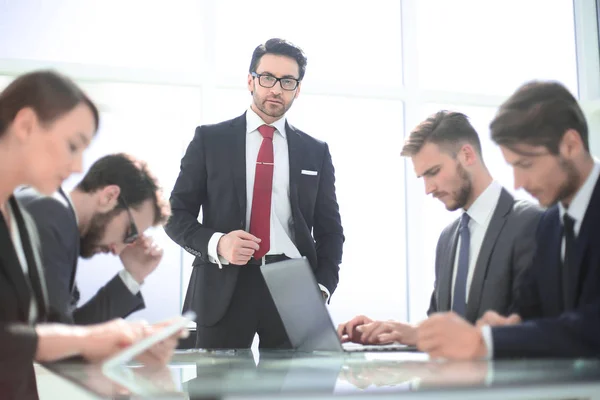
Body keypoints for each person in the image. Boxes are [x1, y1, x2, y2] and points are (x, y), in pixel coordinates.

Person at [0, 71, 181, 397]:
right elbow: (53, 335)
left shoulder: (22, 213)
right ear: (25, 124)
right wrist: (118, 339)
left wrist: (131, 286)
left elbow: (52, 333)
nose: (78, 166)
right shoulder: (48, 210)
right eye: (73, 146)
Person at [166, 38, 344, 349]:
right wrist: (218, 243)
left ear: (297, 89)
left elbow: (330, 230)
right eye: (267, 78)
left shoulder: (315, 151)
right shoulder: (210, 140)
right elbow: (175, 214)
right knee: (218, 393)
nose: (276, 88)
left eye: (287, 81)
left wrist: (321, 287)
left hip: (296, 285)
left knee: (296, 392)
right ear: (251, 81)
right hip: (223, 283)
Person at [416, 81, 600, 359]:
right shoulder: (550, 224)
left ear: (571, 145)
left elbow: (592, 326)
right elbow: (532, 311)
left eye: (526, 165)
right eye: (512, 167)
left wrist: (490, 341)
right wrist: (508, 326)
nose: (518, 182)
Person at [338, 111, 541, 346]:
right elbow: (442, 330)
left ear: (467, 155)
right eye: (422, 177)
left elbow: (535, 330)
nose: (428, 189)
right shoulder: (448, 238)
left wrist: (415, 334)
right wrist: (391, 332)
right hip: (449, 381)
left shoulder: (530, 223)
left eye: (433, 172)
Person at [17, 153, 170, 325]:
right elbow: (58, 341)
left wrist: (133, 275)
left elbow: (65, 333)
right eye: (130, 233)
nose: (118, 250)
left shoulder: (53, 213)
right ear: (109, 196)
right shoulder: (50, 215)